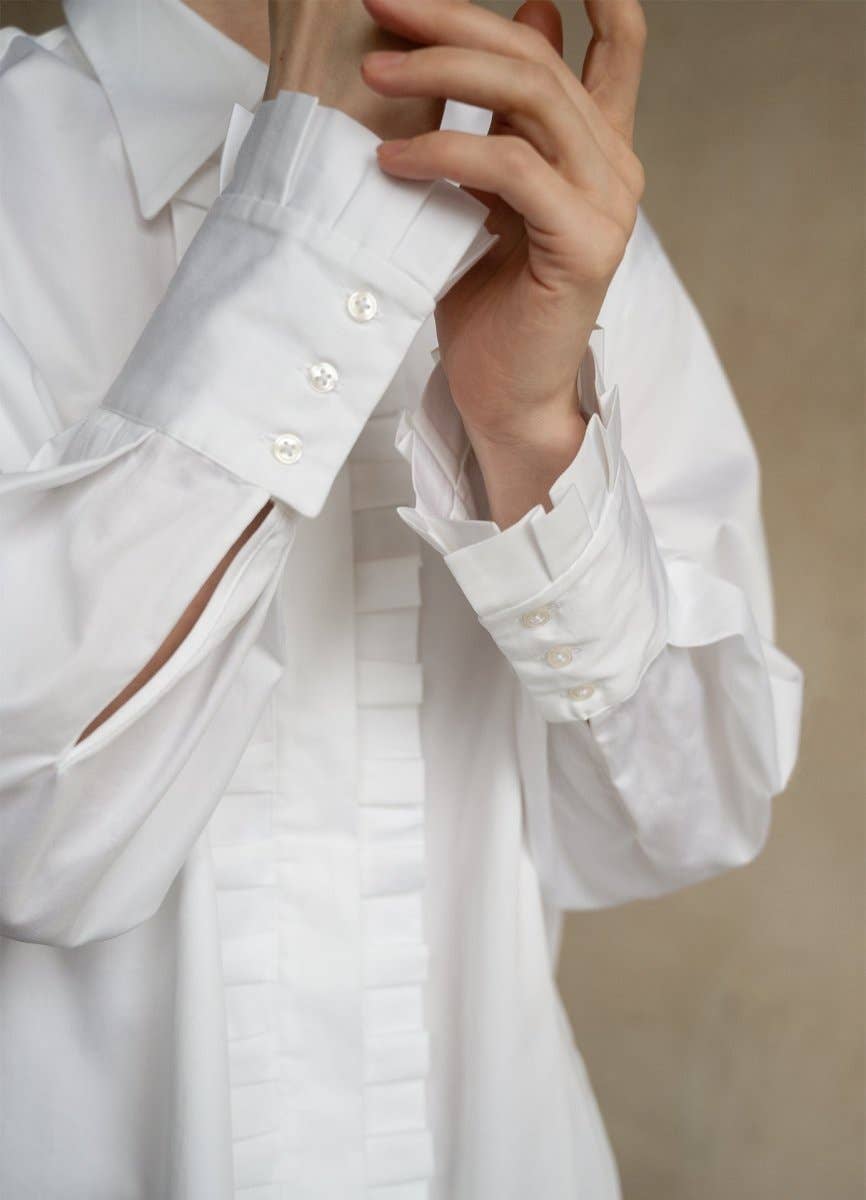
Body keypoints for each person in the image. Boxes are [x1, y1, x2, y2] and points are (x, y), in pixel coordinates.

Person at [0, 0, 804, 1196]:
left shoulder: (548, 184)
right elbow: (33, 845)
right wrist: (304, 238)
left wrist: (532, 435)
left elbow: (690, 814)